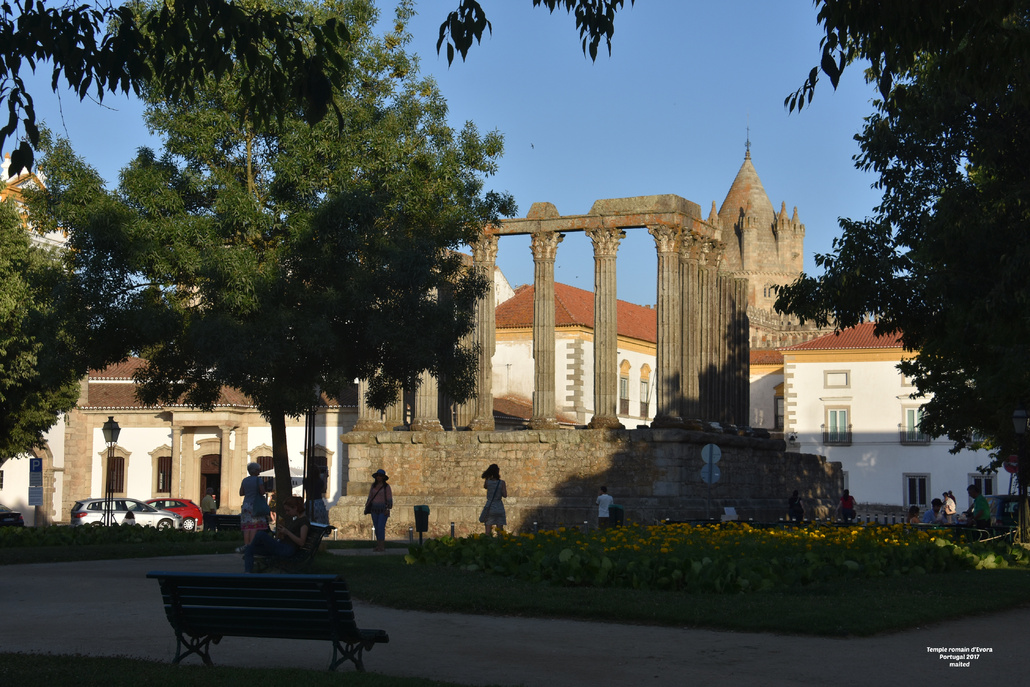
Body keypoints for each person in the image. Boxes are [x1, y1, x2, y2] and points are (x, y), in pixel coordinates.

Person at [243, 496, 309, 573]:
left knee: (261, 534)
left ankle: (249, 546)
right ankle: (247, 573)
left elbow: (301, 542)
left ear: (295, 508)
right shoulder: (296, 520)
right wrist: (281, 534)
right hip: (281, 545)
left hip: (287, 549)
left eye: (288, 510)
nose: (287, 513)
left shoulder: (304, 522)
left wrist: (287, 532)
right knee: (249, 549)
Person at [239, 462, 268, 549]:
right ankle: (252, 545)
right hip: (255, 505)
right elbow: (262, 492)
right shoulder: (258, 480)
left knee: (247, 526)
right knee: (254, 525)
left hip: (246, 505)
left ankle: (246, 545)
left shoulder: (245, 480)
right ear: (255, 471)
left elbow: (241, 493)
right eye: (259, 470)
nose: (259, 472)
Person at [364, 469, 393, 552]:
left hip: (383, 509)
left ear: (383, 477)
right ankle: (378, 545)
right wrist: (367, 505)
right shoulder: (373, 486)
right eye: (378, 476)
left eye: (380, 476)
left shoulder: (386, 487)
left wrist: (388, 508)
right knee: (376, 528)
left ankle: (382, 546)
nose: (379, 477)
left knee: (381, 527)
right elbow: (370, 496)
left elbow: (389, 498)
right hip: (374, 509)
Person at [479, 463, 507, 535]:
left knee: (488, 530)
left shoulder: (487, 482)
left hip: (490, 506)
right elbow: (505, 495)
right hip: (499, 506)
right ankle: (500, 543)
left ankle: (488, 543)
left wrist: (487, 477)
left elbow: (485, 487)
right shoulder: (502, 483)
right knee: (500, 530)